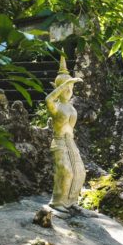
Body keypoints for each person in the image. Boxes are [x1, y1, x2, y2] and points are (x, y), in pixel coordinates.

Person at [46, 58, 85, 213]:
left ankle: (71, 201)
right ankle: (58, 202)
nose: (69, 91)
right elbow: (48, 98)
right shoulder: (56, 106)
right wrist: (63, 85)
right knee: (66, 171)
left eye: (71, 88)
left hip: (71, 142)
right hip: (59, 142)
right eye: (66, 88)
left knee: (80, 172)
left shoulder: (72, 108)